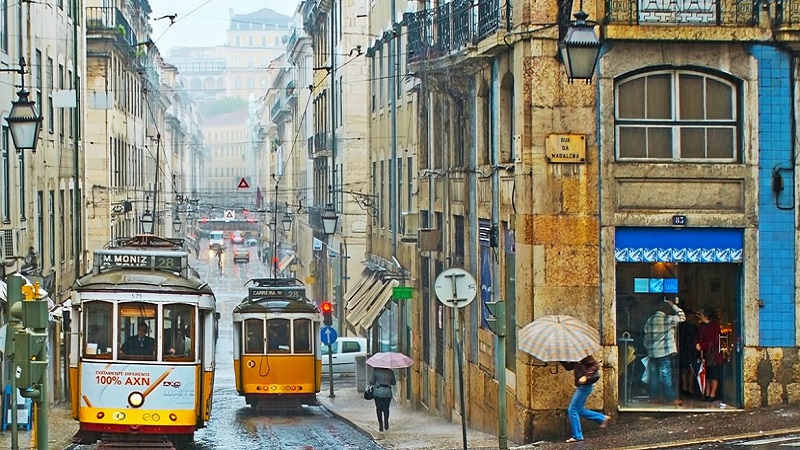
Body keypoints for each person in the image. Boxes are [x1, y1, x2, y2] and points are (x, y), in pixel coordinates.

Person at [643, 299, 686, 406]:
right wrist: (674, 306)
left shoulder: (650, 320)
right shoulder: (667, 319)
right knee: (666, 375)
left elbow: (646, 337)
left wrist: (648, 348)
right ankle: (671, 399)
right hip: (664, 352)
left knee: (654, 376)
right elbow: (682, 317)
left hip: (652, 352)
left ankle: (654, 398)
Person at [561, 355, 609, 443]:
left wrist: (586, 376)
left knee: (572, 409)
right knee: (579, 409)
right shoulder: (575, 356)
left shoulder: (583, 354)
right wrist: (561, 359)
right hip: (583, 387)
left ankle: (577, 436)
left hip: (584, 386)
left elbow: (595, 366)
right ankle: (602, 418)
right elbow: (569, 367)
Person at [695, 308, 723, 402]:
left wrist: (702, 345)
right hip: (704, 354)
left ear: (706, 316)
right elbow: (698, 338)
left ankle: (712, 394)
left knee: (713, 375)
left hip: (713, 355)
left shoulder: (715, 326)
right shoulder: (701, 326)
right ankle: (706, 393)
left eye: (701, 315)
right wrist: (698, 345)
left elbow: (714, 341)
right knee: (706, 375)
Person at [678, 308, 699, 397]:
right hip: (689, 350)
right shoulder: (693, 328)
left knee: (685, 370)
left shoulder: (681, 327)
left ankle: (685, 388)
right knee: (689, 370)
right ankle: (689, 388)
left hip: (684, 350)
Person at [369, 367, 396, 432]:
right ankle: (386, 422)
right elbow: (393, 382)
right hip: (387, 393)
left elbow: (371, 382)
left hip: (377, 393)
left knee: (379, 408)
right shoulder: (391, 372)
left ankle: (380, 425)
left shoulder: (376, 372)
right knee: (386, 408)